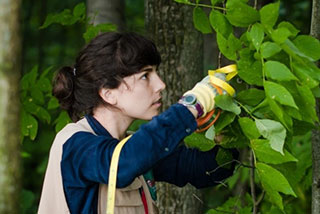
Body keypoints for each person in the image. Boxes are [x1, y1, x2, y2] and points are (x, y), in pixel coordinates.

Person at [38, 32, 238, 214]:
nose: (160, 85)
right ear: (108, 93)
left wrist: (224, 126)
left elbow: (205, 170)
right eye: (145, 76)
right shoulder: (74, 145)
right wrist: (191, 105)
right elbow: (122, 164)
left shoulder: (133, 147)